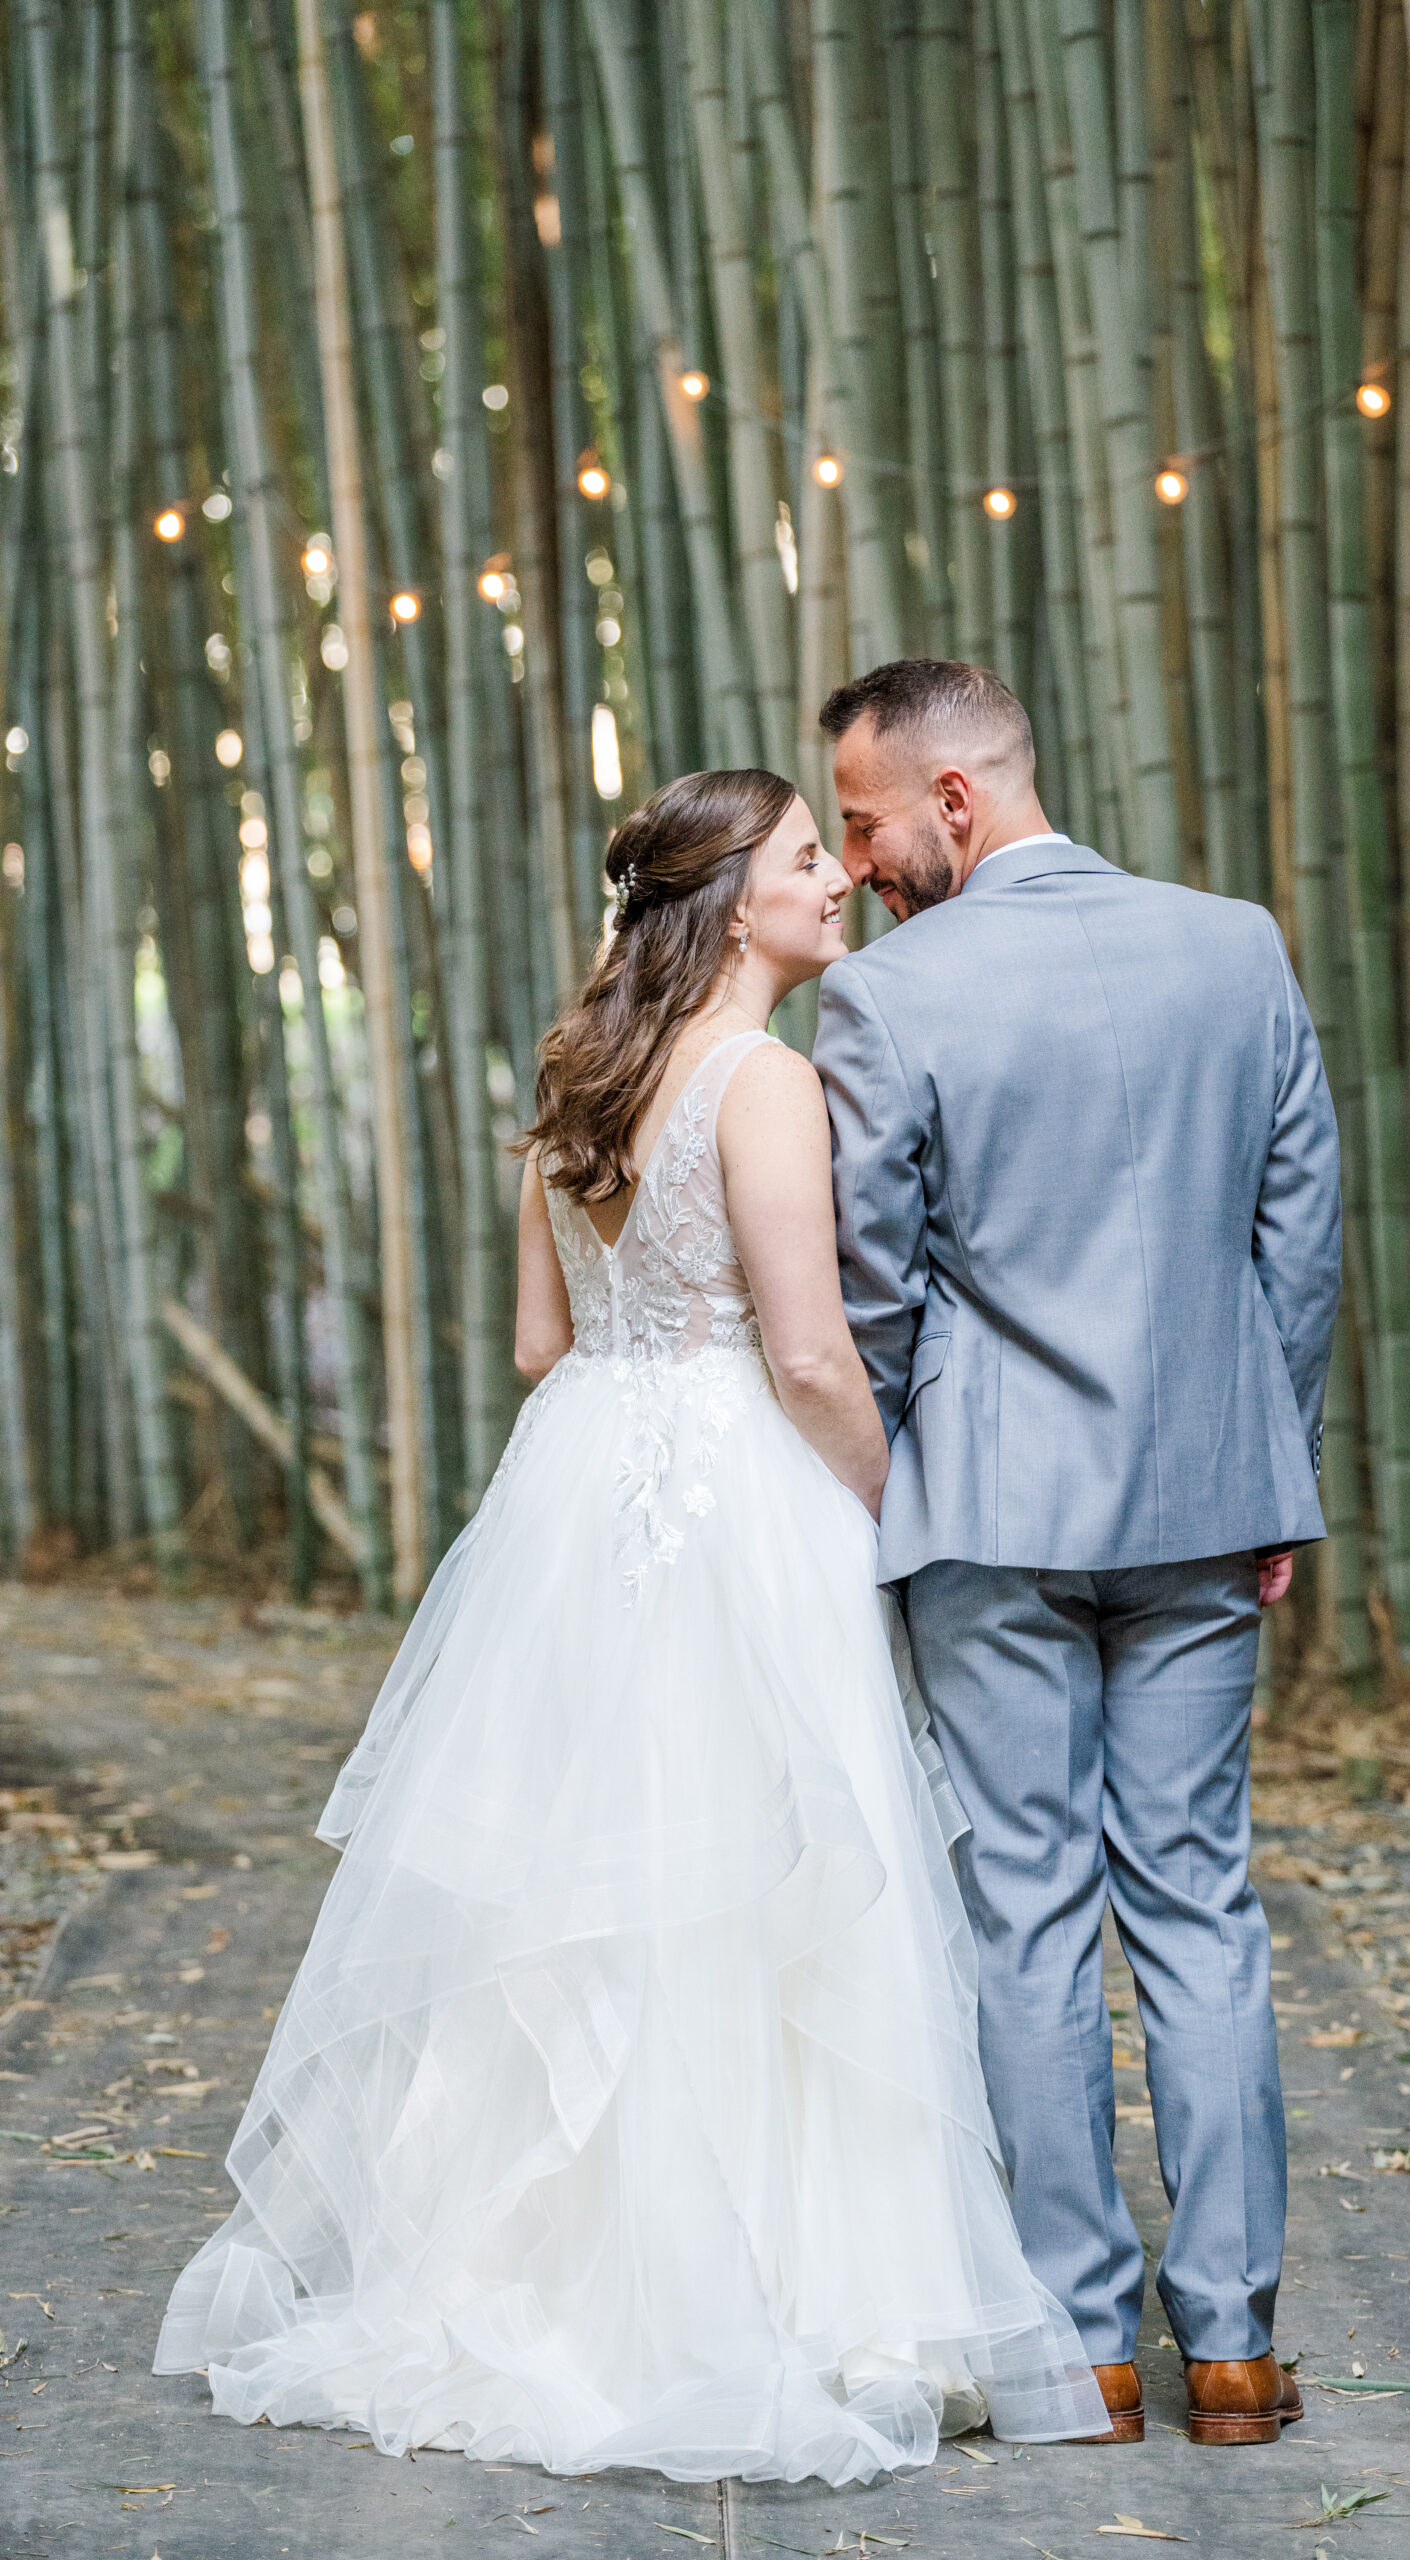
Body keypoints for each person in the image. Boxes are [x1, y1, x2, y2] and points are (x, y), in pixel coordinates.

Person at [155, 767, 1106, 2485]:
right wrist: (904, 1511)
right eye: (815, 859)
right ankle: (801, 2305)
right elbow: (813, 1358)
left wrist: (644, 1392)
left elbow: (539, 1342)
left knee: (587, 1886)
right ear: (738, 903)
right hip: (741, 1487)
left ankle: (537, 2273)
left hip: (581, 1485)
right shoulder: (765, 1084)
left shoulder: (579, 1070)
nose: (842, 880)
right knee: (769, 1882)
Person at [812, 661, 1341, 2449]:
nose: (862, 862)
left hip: (992, 1513)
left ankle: (1082, 2354)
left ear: (953, 801)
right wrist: (1277, 1465)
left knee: (1026, 1911)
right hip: (1205, 1500)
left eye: (870, 822)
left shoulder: (889, 1001)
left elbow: (873, 1283)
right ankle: (1241, 2351)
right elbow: (1299, 1234)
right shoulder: (1236, 947)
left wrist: (878, 1498)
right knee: (1199, 1900)